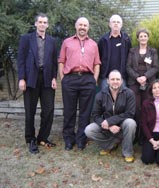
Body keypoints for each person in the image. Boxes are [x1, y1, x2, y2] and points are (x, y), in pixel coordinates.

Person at [58, 17, 101, 151]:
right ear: (76, 26)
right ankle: (69, 139)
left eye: (85, 25)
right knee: (69, 111)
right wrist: (63, 78)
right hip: (70, 79)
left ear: (88, 28)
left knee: (85, 112)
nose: (83, 27)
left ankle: (81, 139)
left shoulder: (93, 44)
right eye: (80, 25)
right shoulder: (67, 42)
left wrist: (94, 79)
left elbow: (97, 63)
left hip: (88, 80)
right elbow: (61, 61)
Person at [17, 13, 58, 154]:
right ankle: (31, 139)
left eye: (44, 22)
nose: (42, 24)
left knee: (49, 110)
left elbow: (54, 61)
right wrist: (21, 78)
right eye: (40, 22)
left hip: (47, 79)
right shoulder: (26, 39)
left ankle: (42, 137)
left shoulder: (52, 41)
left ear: (47, 25)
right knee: (30, 111)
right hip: (30, 78)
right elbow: (21, 59)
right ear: (35, 24)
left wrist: (54, 77)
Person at [85, 70, 137, 163]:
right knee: (89, 130)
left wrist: (110, 121)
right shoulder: (100, 95)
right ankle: (109, 145)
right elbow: (95, 114)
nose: (115, 81)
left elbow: (130, 113)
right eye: (112, 79)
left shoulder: (129, 93)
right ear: (108, 81)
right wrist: (109, 125)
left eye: (118, 79)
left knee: (131, 123)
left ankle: (127, 152)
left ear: (121, 81)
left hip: (122, 125)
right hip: (107, 127)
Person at [126, 28, 159, 144]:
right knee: (135, 109)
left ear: (148, 38)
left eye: (145, 36)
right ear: (138, 38)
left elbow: (155, 67)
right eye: (141, 36)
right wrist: (137, 77)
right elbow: (128, 67)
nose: (143, 38)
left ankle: (145, 136)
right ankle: (134, 135)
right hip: (134, 82)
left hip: (148, 82)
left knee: (147, 109)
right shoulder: (132, 51)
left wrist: (145, 77)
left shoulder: (153, 51)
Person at [98, 14, 132, 89]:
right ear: (110, 24)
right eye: (113, 22)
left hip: (121, 77)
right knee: (106, 99)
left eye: (118, 22)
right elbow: (98, 57)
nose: (116, 23)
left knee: (122, 100)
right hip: (106, 78)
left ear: (121, 25)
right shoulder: (103, 40)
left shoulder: (126, 40)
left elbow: (129, 56)